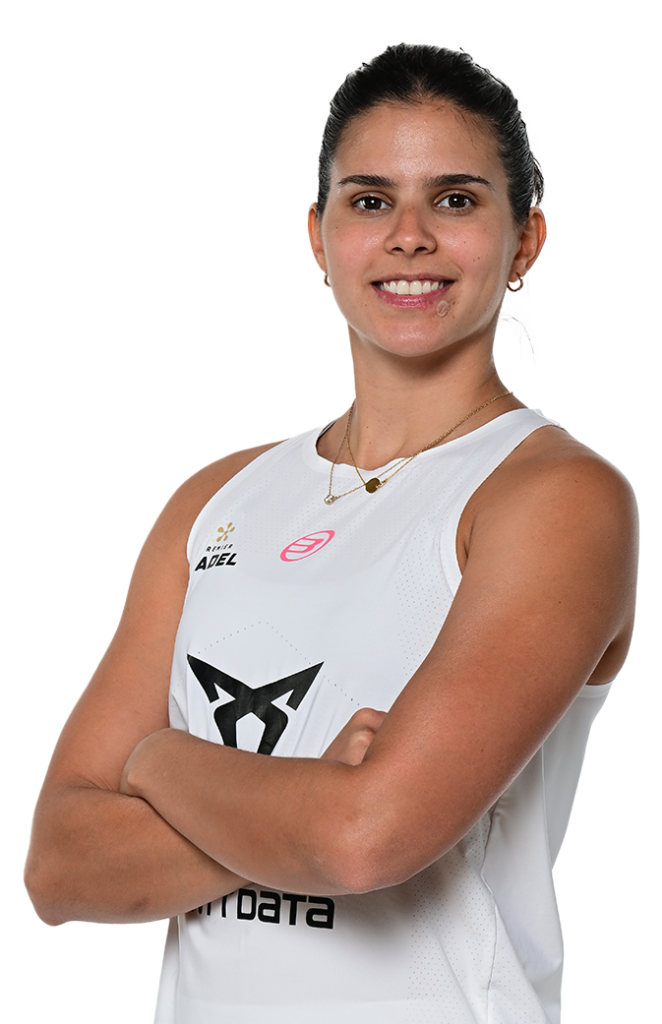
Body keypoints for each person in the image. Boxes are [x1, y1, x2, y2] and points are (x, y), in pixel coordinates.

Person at [23, 41, 639, 1023]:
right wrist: (307, 798)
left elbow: (364, 841)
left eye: (454, 199)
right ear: (316, 233)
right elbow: (59, 864)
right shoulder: (214, 498)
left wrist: (155, 764)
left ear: (526, 236)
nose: (408, 237)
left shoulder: (555, 496)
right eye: (368, 200)